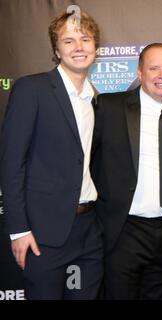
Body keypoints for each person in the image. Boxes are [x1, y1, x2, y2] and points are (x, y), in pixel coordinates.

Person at [0, 10, 103, 299]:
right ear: (56, 49)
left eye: (85, 39)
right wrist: (18, 230)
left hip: (88, 231)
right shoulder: (31, 89)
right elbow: (11, 164)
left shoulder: (94, 101)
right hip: (44, 235)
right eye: (68, 41)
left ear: (96, 47)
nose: (79, 47)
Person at [91, 43, 162, 299]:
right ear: (139, 72)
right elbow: (84, 161)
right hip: (125, 230)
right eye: (154, 68)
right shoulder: (109, 107)